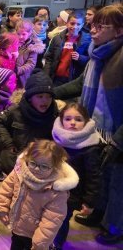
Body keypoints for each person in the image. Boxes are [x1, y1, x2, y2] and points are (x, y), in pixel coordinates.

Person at [53, 4, 123, 245]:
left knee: (118, 183)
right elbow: (79, 85)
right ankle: (99, 216)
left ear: (119, 30)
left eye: (100, 26)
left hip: (117, 132)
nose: (92, 30)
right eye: (93, 25)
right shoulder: (98, 53)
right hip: (97, 128)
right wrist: (47, 92)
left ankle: (115, 228)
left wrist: (118, 142)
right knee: (102, 177)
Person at [0, 140, 79, 250]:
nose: (37, 169)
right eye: (33, 163)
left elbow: (52, 220)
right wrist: (1, 208)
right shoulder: (19, 173)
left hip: (35, 235)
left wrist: (40, 243)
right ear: (27, 159)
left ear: (55, 167)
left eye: (44, 166)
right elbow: (6, 189)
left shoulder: (56, 190)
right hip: (17, 226)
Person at [51, 103, 104, 249]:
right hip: (52, 189)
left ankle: (57, 244)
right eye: (68, 119)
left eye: (78, 119)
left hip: (72, 194)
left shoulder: (90, 146)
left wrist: (89, 202)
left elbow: (94, 176)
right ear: (61, 120)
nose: (72, 122)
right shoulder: (57, 137)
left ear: (86, 121)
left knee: (62, 220)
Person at [0, 69, 59, 174]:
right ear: (29, 98)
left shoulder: (54, 115)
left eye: (49, 97)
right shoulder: (16, 111)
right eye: (40, 96)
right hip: (15, 164)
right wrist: (9, 144)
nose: (45, 101)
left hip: (39, 166)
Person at [44, 11, 91, 86]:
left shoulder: (87, 40)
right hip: (56, 78)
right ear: (67, 23)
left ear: (82, 25)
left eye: (78, 24)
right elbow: (49, 58)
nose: (75, 27)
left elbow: (90, 59)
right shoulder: (57, 38)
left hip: (73, 80)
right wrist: (47, 75)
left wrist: (80, 58)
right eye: (72, 23)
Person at [15, 20, 45, 88]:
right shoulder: (13, 43)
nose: (20, 37)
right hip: (10, 75)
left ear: (30, 33)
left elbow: (31, 64)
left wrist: (18, 70)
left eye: (23, 34)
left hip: (22, 77)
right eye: (18, 34)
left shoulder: (33, 47)